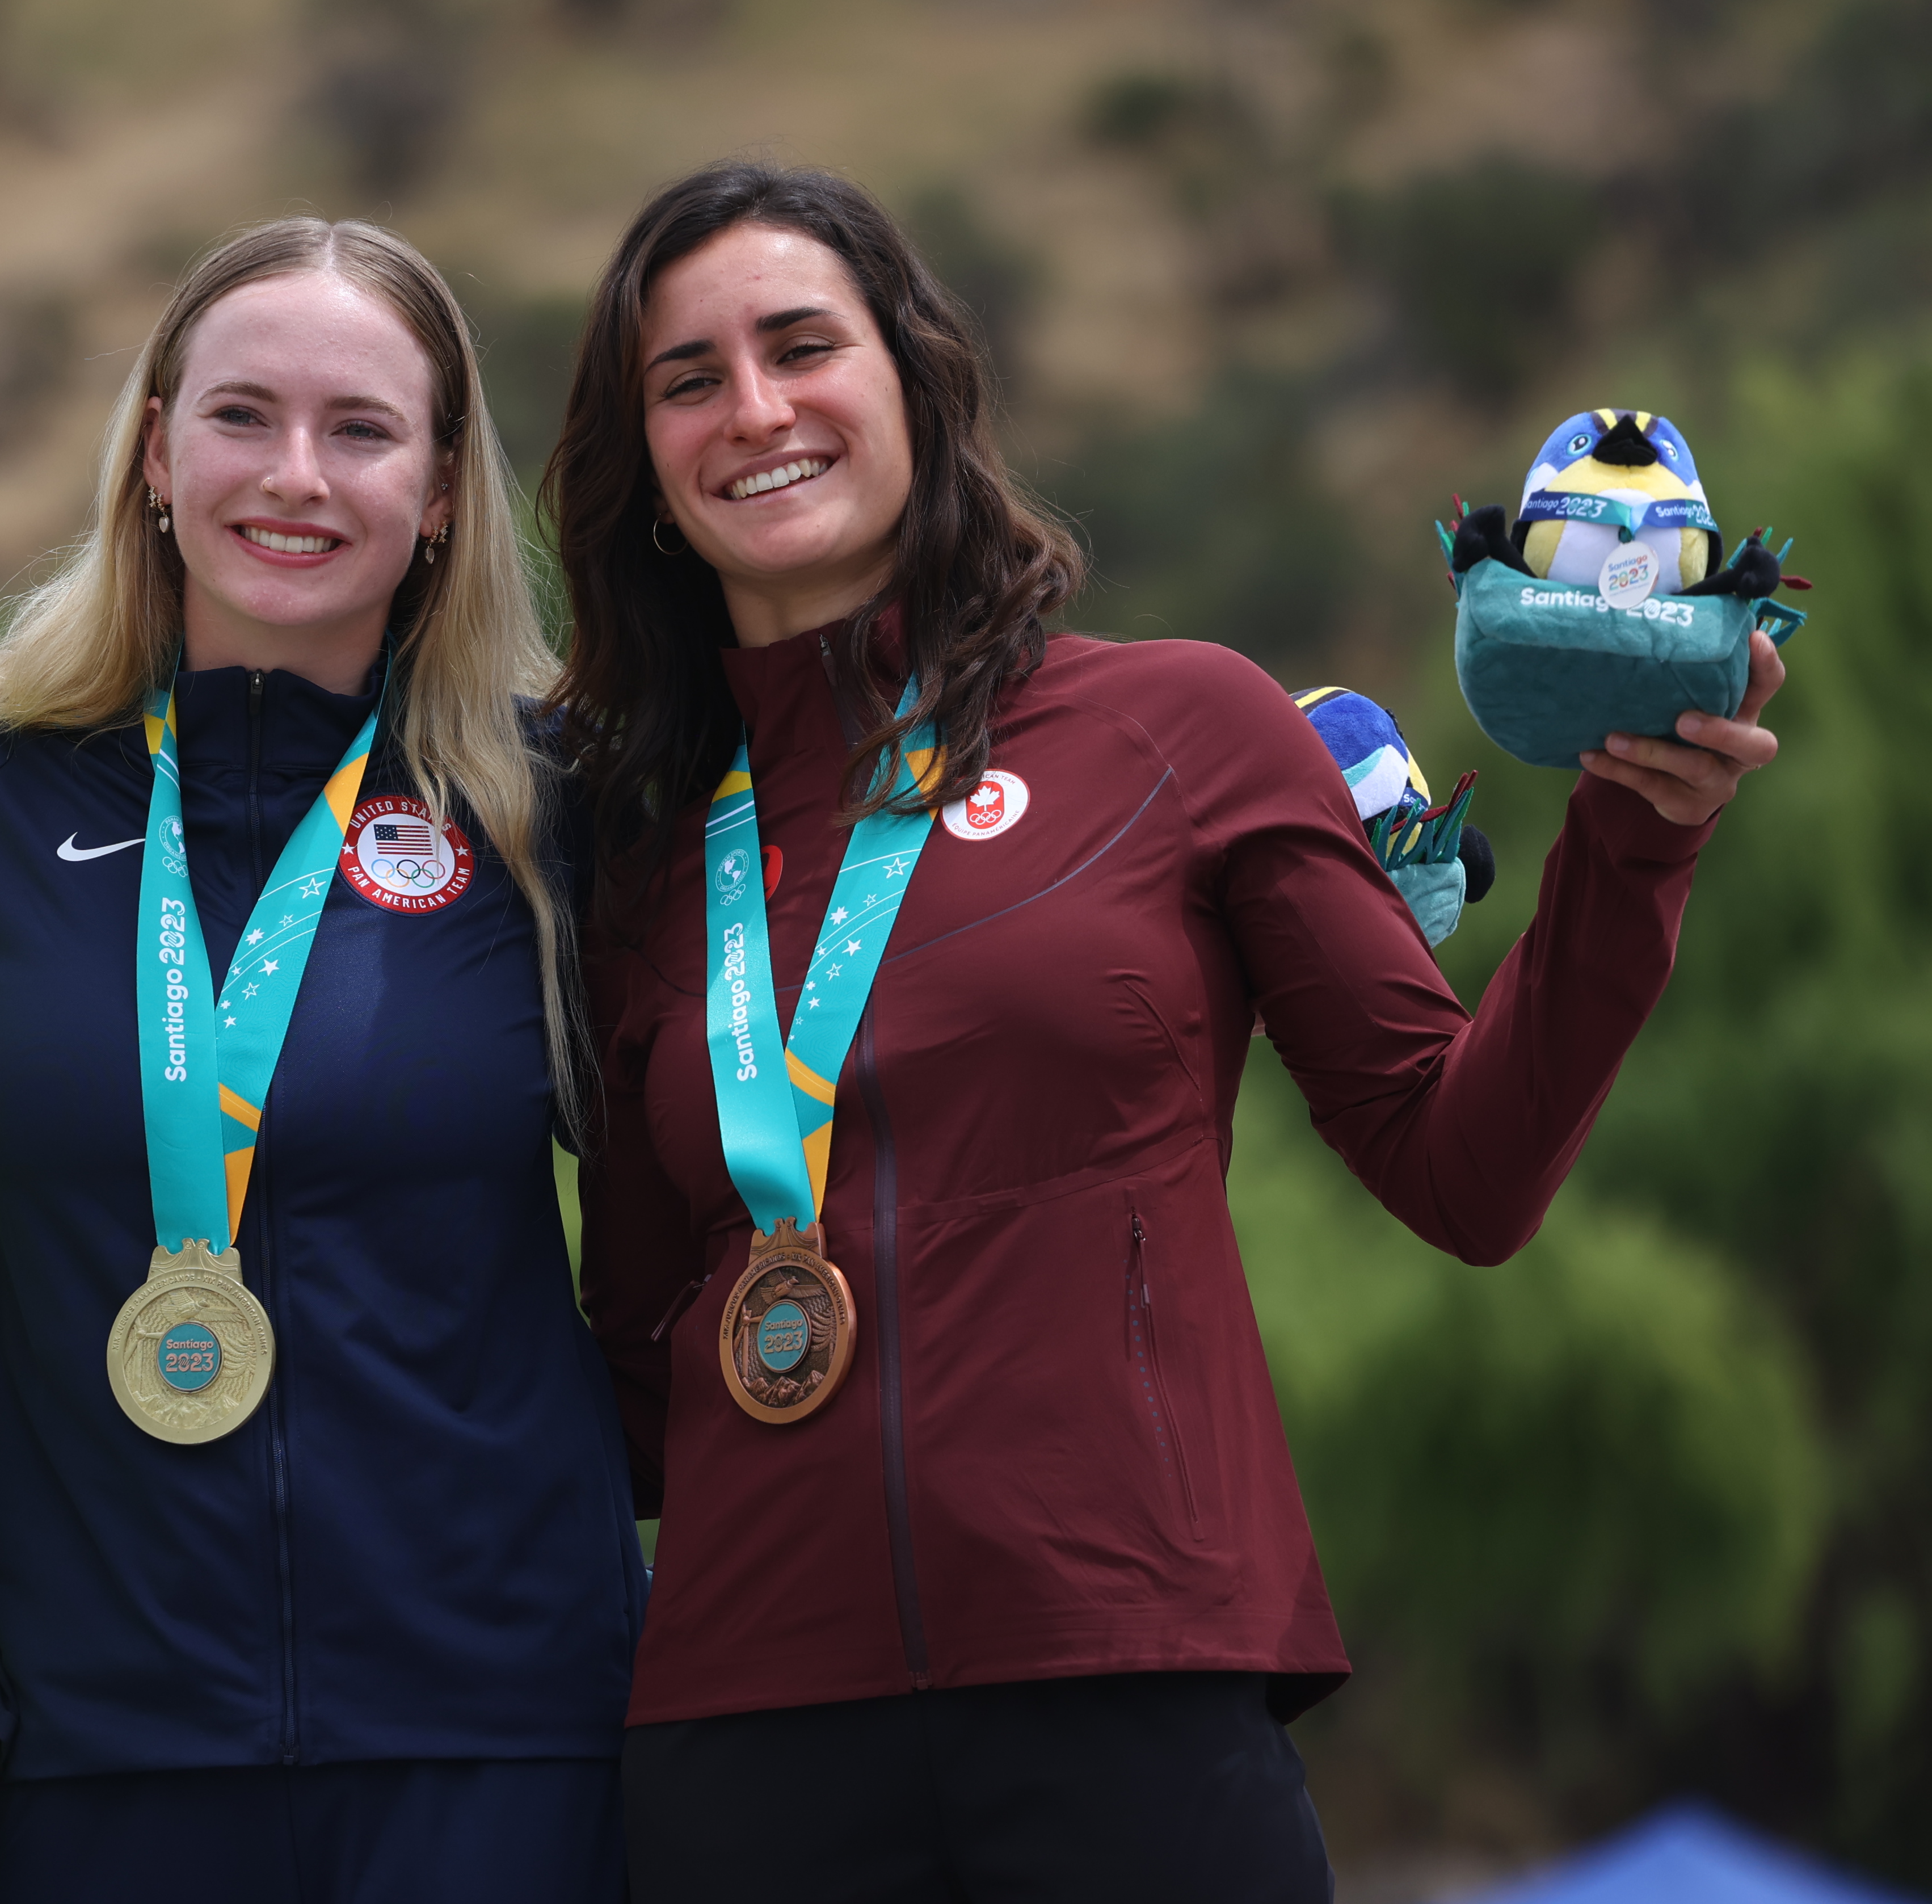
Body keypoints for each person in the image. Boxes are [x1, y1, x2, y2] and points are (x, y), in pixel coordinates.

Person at [549, 163, 1784, 1904]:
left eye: (802, 345)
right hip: (748, 1747)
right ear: (649, 473)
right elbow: (625, 1370)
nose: (754, 409)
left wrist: (1634, 848)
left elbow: (1465, 1167)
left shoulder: (1178, 726)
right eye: (688, 379)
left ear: (916, 380)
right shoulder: (634, 860)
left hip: (1128, 1694)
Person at [0, 218, 641, 1904]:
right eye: (243, 416)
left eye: (362, 429)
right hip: (95, 1743)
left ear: (442, 490)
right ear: (155, 453)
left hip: (493, 1738)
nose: (295, 475)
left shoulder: (555, 803)